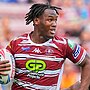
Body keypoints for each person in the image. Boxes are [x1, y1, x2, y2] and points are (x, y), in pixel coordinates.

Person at [0, 3, 90, 90]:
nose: (54, 24)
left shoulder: (63, 45)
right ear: (36, 20)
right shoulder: (16, 44)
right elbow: (4, 65)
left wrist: (83, 88)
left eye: (55, 20)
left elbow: (87, 62)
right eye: (50, 20)